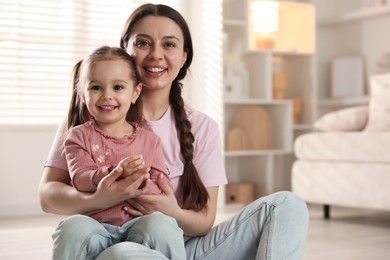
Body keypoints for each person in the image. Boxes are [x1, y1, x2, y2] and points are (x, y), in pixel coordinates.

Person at [39, 3, 309, 260]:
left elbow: (204, 221)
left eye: (169, 44)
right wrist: (99, 198)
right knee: (122, 254)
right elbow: (48, 196)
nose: (156, 54)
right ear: (125, 50)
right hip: (112, 246)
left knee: (287, 205)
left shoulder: (202, 128)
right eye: (143, 43)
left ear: (184, 57)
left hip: (181, 248)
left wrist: (169, 211)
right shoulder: (90, 119)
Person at [64, 45, 174, 226]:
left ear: (135, 92)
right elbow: (80, 179)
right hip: (96, 227)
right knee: (70, 228)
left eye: (117, 87)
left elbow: (162, 184)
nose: (107, 95)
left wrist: (141, 183)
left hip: (138, 225)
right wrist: (116, 173)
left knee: (162, 227)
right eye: (96, 87)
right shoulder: (78, 136)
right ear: (82, 94)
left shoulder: (150, 141)